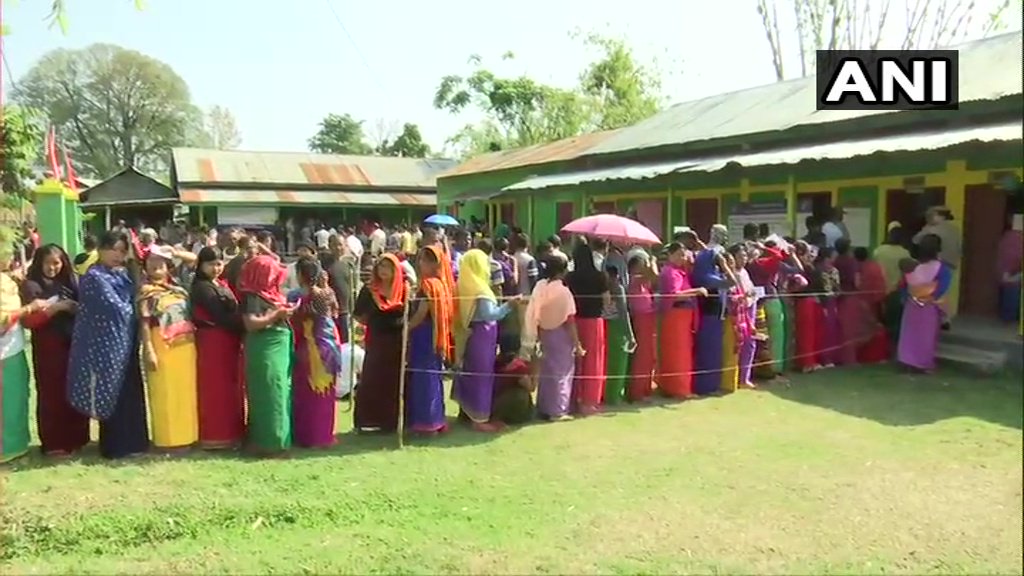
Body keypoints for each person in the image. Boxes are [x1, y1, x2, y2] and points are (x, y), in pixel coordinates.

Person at [66, 231, 150, 459]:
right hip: (106, 346)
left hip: (127, 343)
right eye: (113, 249)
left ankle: (136, 442)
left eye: (122, 250)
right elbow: (117, 309)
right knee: (113, 393)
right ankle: (116, 446)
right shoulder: (94, 277)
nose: (118, 255)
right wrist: (139, 306)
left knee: (131, 391)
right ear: (101, 250)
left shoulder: (124, 274)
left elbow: (137, 295)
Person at [19, 244, 89, 456]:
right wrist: (57, 308)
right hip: (49, 347)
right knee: (52, 395)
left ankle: (77, 438)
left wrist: (75, 308)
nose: (52, 268)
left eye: (56, 263)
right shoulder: (31, 286)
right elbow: (29, 321)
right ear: (39, 263)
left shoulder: (70, 282)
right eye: (47, 263)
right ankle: (54, 442)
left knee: (75, 390)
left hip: (73, 345)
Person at [138, 245, 199, 451]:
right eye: (151, 263)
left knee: (184, 392)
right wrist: (149, 350)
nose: (156, 266)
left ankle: (187, 437)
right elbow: (144, 322)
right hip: (160, 344)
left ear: (168, 267)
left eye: (160, 263)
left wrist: (175, 252)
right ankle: (167, 441)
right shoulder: (146, 291)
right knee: (164, 392)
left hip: (185, 346)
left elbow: (196, 261)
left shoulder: (178, 287)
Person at [452, 249, 517, 431]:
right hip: (483, 335)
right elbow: (490, 314)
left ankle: (466, 413)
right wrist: (509, 305)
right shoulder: (480, 289)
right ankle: (479, 419)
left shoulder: (463, 285)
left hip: (471, 335)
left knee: (471, 372)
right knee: (482, 376)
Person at [190, 246, 246, 450]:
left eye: (218, 263)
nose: (215, 268)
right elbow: (220, 316)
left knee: (231, 388)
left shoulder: (220, 283)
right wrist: (247, 323)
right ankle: (216, 436)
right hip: (213, 343)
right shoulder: (202, 287)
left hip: (228, 342)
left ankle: (233, 434)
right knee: (216, 390)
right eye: (210, 264)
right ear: (201, 265)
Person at [239, 254, 295, 456]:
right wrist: (276, 315)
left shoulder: (272, 293)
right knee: (269, 392)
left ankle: (282, 439)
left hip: (279, 345)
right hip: (264, 347)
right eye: (271, 274)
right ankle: (268, 443)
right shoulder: (251, 296)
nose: (275, 278)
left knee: (281, 391)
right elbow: (251, 323)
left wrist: (284, 311)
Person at [2, 248, 52, 462]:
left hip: (14, 348)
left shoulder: (7, 279)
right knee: (6, 402)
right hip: (3, 354)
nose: (11, 259)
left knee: (19, 397)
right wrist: (30, 308)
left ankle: (17, 445)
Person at [287, 259, 342, 448]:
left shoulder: (296, 297)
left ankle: (306, 435)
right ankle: (322, 435)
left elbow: (299, 318)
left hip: (309, 347)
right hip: (328, 346)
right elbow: (334, 313)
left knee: (305, 393)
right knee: (324, 394)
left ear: (300, 275)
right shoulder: (327, 293)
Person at [522, 256, 582, 421]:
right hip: (560, 334)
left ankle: (544, 406)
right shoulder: (564, 292)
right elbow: (570, 320)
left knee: (548, 370)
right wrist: (577, 344)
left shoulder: (541, 286)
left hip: (544, 332)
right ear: (562, 271)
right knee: (562, 372)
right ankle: (557, 410)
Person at [352, 254, 407, 433]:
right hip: (376, 341)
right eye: (380, 266)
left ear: (395, 270)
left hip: (396, 342)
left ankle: (391, 422)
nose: (383, 270)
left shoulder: (404, 290)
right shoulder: (370, 290)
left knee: (393, 382)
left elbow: (409, 314)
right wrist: (372, 320)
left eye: (388, 267)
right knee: (371, 379)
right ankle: (367, 421)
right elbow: (358, 314)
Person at [405, 246, 453, 435]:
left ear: (436, 264)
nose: (422, 264)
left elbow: (421, 313)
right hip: (436, 336)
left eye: (427, 260)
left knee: (424, 379)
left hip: (424, 335)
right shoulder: (442, 284)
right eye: (421, 259)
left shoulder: (429, 285)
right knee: (434, 377)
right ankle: (437, 420)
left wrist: (406, 329)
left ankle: (427, 423)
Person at [689, 227, 736, 396]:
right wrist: (725, 265)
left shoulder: (709, 271)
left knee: (715, 353)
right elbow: (732, 282)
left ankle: (712, 385)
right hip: (708, 316)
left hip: (715, 315)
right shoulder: (707, 277)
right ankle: (705, 387)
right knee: (708, 353)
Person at [565, 242, 610, 415]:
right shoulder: (600, 276)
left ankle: (573, 398)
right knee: (593, 361)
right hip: (593, 321)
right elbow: (606, 300)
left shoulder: (569, 277)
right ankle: (589, 401)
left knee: (575, 361)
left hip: (574, 321)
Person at [657, 242, 705, 398]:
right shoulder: (671, 272)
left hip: (681, 316)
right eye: (678, 254)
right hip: (676, 314)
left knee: (678, 352)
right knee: (679, 354)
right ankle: (679, 389)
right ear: (670, 255)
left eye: (683, 254)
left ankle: (672, 386)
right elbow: (675, 294)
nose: (682, 258)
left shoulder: (679, 271)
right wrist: (697, 291)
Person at [897, 234, 952, 372]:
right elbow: (942, 287)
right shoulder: (942, 268)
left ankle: (907, 360)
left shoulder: (911, 266)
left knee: (910, 334)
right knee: (926, 336)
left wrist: (906, 298)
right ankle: (923, 364)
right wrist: (932, 297)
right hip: (929, 305)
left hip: (912, 304)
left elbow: (903, 285)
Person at [913, 207, 960, 326]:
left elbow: (916, 240)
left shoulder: (933, 229)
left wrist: (925, 228)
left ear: (940, 216)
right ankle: (946, 318)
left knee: (933, 292)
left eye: (933, 215)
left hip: (937, 264)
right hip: (952, 263)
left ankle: (935, 318)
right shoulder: (955, 229)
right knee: (946, 292)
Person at [724, 244, 757, 390]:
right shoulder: (732, 275)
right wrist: (744, 297)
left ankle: (745, 377)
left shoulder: (744, 272)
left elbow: (751, 290)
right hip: (738, 312)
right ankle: (736, 378)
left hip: (750, 308)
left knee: (750, 343)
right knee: (738, 344)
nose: (743, 259)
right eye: (739, 256)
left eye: (744, 256)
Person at [602, 264, 636, 404]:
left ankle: (604, 392)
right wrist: (630, 334)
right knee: (619, 363)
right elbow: (623, 312)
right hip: (617, 327)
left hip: (603, 326)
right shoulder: (618, 288)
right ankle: (614, 395)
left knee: (606, 362)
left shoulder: (601, 289)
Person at [627, 255, 657, 402]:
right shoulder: (633, 279)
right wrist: (653, 261)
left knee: (649, 356)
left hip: (649, 318)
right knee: (641, 356)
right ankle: (637, 391)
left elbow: (654, 279)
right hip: (640, 318)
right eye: (641, 264)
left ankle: (645, 388)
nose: (644, 267)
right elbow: (654, 273)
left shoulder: (644, 283)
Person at [853, 247, 891, 363]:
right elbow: (883, 280)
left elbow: (857, 285)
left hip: (864, 302)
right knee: (877, 327)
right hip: (878, 299)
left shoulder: (858, 268)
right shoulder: (876, 266)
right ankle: (880, 355)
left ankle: (866, 356)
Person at [792, 241, 822, 373]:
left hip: (800, 302)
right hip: (807, 302)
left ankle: (803, 361)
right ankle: (807, 363)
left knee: (803, 334)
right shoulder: (806, 268)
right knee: (807, 334)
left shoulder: (794, 266)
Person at [811, 247, 841, 368]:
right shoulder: (817, 270)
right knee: (819, 331)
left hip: (831, 303)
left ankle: (828, 358)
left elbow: (837, 288)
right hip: (819, 303)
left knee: (830, 332)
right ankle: (818, 358)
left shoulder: (834, 271)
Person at [833, 238, 860, 365]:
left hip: (838, 297)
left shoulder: (835, 261)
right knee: (850, 329)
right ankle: (849, 358)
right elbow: (856, 281)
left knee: (839, 328)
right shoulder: (851, 262)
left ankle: (837, 356)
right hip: (850, 295)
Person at [490, 354, 534, 425]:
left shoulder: (492, 361)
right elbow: (531, 387)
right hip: (499, 405)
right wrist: (536, 367)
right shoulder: (519, 366)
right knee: (521, 395)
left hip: (492, 403)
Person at [997, 215, 1022, 323]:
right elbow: (1012, 255)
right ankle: (1009, 317)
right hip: (1014, 270)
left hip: (1009, 269)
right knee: (1012, 293)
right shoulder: (1017, 237)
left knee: (1009, 292)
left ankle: (1007, 317)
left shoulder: (1008, 236)